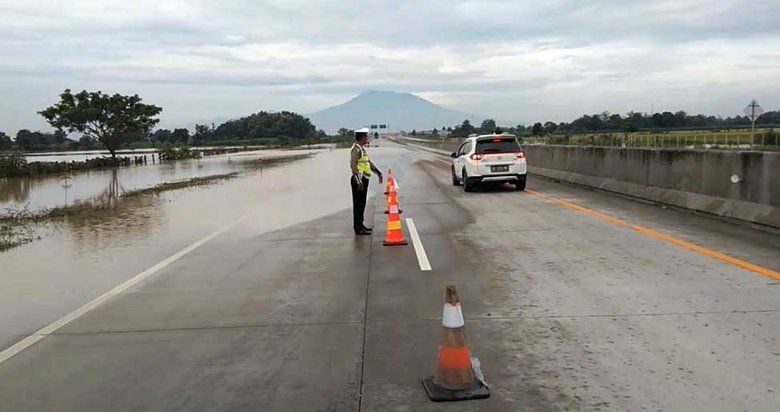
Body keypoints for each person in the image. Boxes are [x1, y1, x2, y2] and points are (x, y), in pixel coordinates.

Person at [350, 129, 383, 235]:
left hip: (364, 179)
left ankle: (361, 225)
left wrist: (378, 172)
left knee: (362, 203)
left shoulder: (362, 150)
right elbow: (353, 166)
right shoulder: (356, 150)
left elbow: (368, 163)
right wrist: (359, 181)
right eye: (365, 137)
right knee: (358, 204)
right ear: (361, 138)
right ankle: (358, 228)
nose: (367, 139)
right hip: (358, 180)